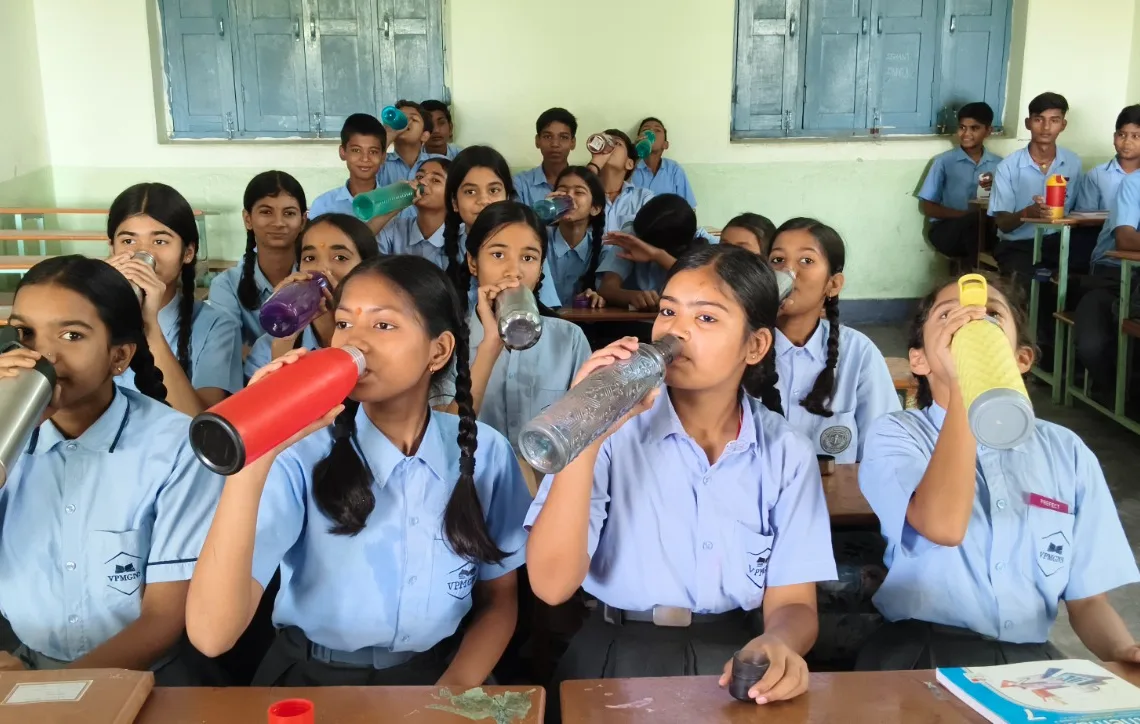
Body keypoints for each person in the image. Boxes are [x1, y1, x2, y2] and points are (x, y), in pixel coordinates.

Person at [185, 255, 533, 688]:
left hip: (441, 673)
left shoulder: (485, 452)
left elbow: (499, 600)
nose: (356, 344)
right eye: (345, 324)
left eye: (383, 325)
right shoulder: (300, 454)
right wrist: (252, 463)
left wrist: (451, 692)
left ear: (438, 350)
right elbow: (212, 635)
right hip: (314, 679)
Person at [526, 245, 836, 712]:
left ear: (755, 346)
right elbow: (551, 585)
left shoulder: (785, 451)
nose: (676, 331)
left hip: (735, 660)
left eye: (707, 318)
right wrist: (587, 431)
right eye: (668, 311)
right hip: (616, 652)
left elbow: (794, 603)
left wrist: (778, 641)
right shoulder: (613, 434)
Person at [857, 274, 1140, 669]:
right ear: (918, 360)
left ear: (1021, 358)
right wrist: (964, 385)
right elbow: (943, 526)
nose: (971, 320)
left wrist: (1122, 652)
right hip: (921, 649)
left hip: (1028, 659)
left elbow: (1088, 599)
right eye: (949, 314)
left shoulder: (1066, 451)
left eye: (991, 313)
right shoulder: (897, 435)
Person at [0, 256, 223, 683]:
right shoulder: (8, 436)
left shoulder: (173, 447)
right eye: (25, 333)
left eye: (71, 335)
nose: (41, 356)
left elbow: (163, 619)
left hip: (148, 673)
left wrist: (55, 690)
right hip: (27, 665)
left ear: (118, 356)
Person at [437, 200, 590, 450]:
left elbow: (584, 433)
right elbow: (443, 438)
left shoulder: (569, 339)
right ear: (473, 262)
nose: (514, 271)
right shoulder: (448, 339)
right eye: (498, 255)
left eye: (528, 257)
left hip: (546, 485)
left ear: (541, 268)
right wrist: (489, 348)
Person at [767, 218, 899, 463]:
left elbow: (883, 452)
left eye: (806, 260)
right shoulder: (741, 347)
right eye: (777, 260)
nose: (787, 271)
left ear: (833, 284)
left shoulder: (858, 353)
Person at [106, 183, 242, 417]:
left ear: (188, 252)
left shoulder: (216, 326)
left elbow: (201, 424)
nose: (143, 255)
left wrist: (149, 327)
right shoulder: (87, 313)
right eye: (128, 241)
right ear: (111, 248)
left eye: (160, 241)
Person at [244, 213, 382, 378]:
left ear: (366, 269)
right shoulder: (269, 346)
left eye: (340, 257)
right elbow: (264, 402)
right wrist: (284, 343)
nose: (322, 269)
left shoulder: (381, 340)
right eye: (310, 258)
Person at [441, 146, 562, 309]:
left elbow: (549, 314)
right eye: (470, 191)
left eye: (493, 190)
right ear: (455, 202)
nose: (483, 200)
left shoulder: (527, 247)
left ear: (508, 197)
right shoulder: (439, 251)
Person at [1073, 105, 1140, 393]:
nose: (1128, 142)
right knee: (1094, 342)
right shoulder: (1132, 184)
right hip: (1112, 273)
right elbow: (1125, 239)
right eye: (1123, 135)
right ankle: (1118, 391)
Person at [988, 93, 1085, 281]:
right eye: (1039, 119)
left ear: (1063, 125)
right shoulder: (1007, 167)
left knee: (1080, 279)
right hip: (1019, 245)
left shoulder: (1073, 163)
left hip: (1059, 244)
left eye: (1054, 120)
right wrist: (1028, 213)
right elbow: (1003, 224)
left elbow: (1077, 212)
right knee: (1022, 286)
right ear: (1027, 123)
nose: (1046, 127)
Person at [209, 171, 307, 346]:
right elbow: (228, 353)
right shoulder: (227, 285)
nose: (278, 222)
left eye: (289, 213)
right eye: (266, 212)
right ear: (248, 219)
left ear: (303, 221)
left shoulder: (311, 280)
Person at [918, 103, 1002, 259]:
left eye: (974, 128)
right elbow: (928, 207)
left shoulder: (1000, 165)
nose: (966, 134)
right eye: (962, 128)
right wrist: (965, 215)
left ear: (988, 131)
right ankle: (974, 274)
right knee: (973, 226)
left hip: (986, 229)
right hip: (946, 228)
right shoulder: (943, 162)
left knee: (1002, 234)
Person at [596, 194, 701, 311]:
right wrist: (632, 296)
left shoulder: (701, 241)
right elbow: (607, 289)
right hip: (633, 322)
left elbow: (703, 284)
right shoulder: (632, 236)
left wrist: (657, 255)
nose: (641, 244)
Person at [308, 114, 388, 231]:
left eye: (373, 152)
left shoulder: (396, 205)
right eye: (356, 150)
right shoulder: (324, 205)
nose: (365, 159)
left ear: (383, 157)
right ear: (342, 152)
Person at [545, 166, 607, 307]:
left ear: (595, 208)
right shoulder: (538, 238)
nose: (568, 197)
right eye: (562, 190)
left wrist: (596, 297)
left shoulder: (602, 250)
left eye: (578, 192)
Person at [374, 158, 449, 263]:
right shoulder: (395, 229)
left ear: (453, 197)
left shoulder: (462, 236)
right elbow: (359, 243)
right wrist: (396, 204)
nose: (422, 182)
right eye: (419, 176)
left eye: (435, 180)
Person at [586, 129, 655, 232]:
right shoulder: (582, 194)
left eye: (617, 143)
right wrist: (595, 163)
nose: (609, 148)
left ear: (630, 163)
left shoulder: (642, 198)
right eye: (605, 142)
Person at [513, 108, 578, 207]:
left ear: (573, 143)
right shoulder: (520, 183)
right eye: (547, 137)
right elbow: (515, 220)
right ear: (537, 141)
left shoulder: (582, 183)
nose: (555, 144)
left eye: (563, 137)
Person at [630, 117, 697, 208]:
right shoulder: (629, 167)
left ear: (665, 145)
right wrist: (635, 154)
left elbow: (689, 207)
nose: (651, 132)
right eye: (645, 130)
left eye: (657, 130)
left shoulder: (674, 170)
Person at [378, 100, 439, 187]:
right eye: (400, 117)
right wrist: (388, 136)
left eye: (413, 119)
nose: (405, 122)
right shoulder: (380, 162)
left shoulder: (437, 162)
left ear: (424, 136)